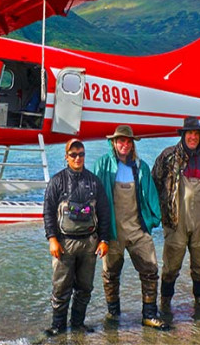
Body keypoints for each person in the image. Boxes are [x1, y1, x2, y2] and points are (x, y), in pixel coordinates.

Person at [93, 125, 168, 330]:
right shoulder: (102, 166)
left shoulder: (141, 167)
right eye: (120, 141)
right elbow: (95, 200)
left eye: (128, 141)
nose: (124, 145)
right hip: (112, 232)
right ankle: (113, 314)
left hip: (138, 231)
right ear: (113, 143)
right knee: (110, 275)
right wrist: (100, 233)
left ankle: (149, 315)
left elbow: (152, 198)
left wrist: (152, 222)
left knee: (151, 271)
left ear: (132, 144)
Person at [42, 138, 110, 335]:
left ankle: (78, 323)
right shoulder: (57, 181)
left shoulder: (94, 181)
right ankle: (58, 326)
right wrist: (52, 239)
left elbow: (104, 213)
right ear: (66, 157)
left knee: (85, 288)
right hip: (64, 244)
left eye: (81, 154)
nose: (77, 158)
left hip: (89, 244)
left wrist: (104, 239)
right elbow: (47, 212)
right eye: (73, 155)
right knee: (61, 288)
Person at [152, 116, 200, 316]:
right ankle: (165, 304)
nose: (193, 137)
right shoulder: (168, 156)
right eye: (189, 133)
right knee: (171, 267)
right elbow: (154, 183)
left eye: (196, 134)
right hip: (175, 222)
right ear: (183, 135)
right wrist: (159, 215)